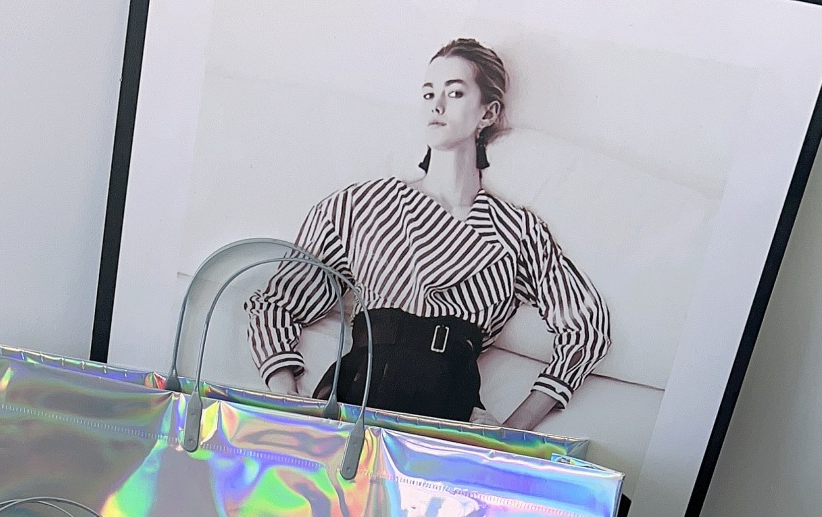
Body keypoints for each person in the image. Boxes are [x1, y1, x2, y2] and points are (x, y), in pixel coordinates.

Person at [246, 38, 610, 428]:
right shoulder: (361, 205)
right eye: (428, 93)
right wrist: (292, 403)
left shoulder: (517, 231)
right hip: (353, 409)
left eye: (454, 92)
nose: (436, 105)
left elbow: (586, 328)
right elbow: (275, 304)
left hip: (449, 425)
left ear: (488, 113)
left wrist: (510, 434)